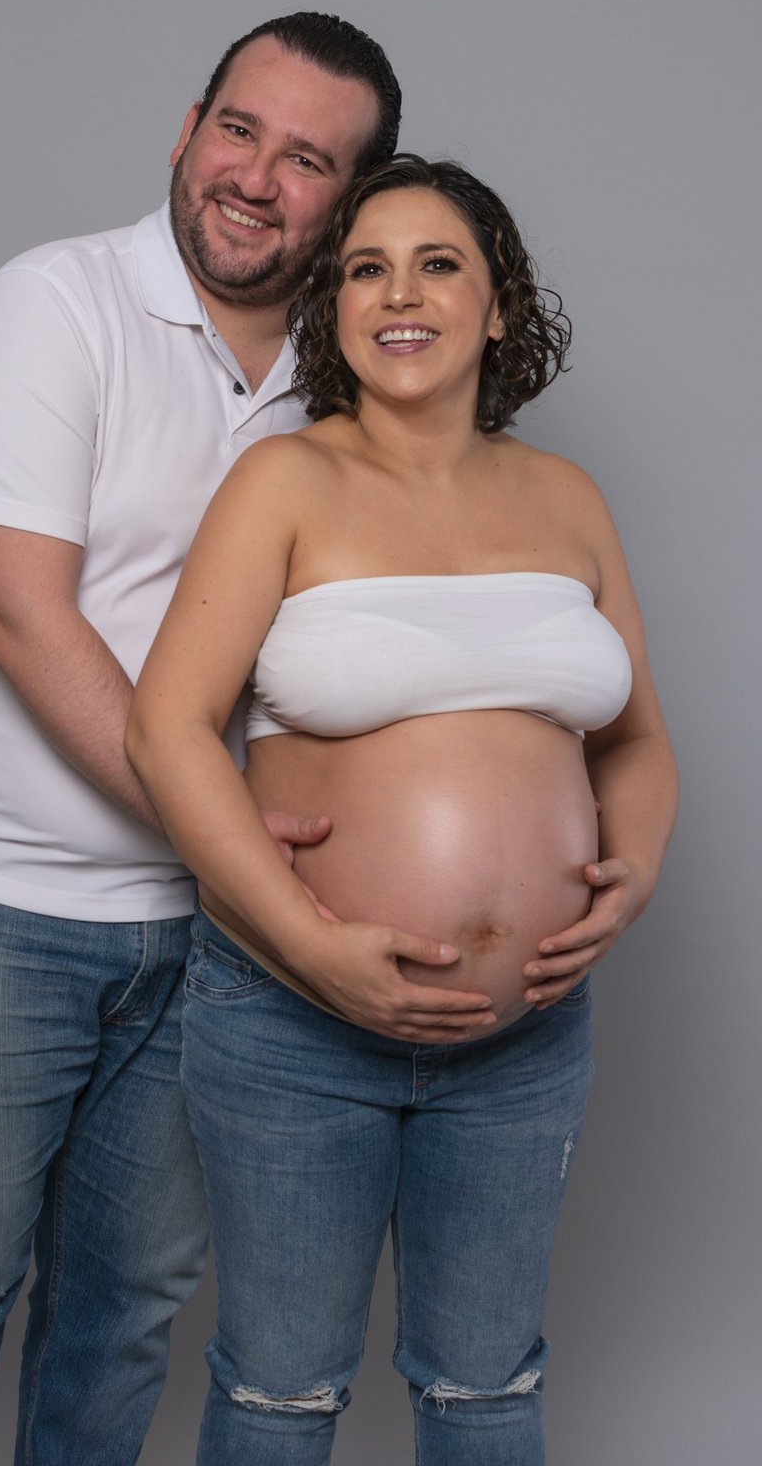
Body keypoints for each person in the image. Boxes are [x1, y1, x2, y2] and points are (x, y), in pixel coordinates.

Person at [0, 13, 412, 1466]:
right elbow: (20, 616)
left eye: (306, 160)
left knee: (124, 1322)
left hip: (215, 938)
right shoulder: (53, 304)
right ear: (186, 130)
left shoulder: (352, 383)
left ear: (354, 200)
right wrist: (227, 829)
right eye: (237, 130)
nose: (254, 178)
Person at [127, 154, 679, 1464]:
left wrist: (636, 875)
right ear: (337, 309)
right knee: (280, 1391)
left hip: (524, 1036)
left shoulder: (567, 500)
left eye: (440, 264)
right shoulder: (285, 483)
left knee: (489, 1389)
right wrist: (311, 950)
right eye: (367, 269)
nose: (402, 294)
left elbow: (639, 743)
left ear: (500, 304)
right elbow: (167, 729)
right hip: (292, 1020)